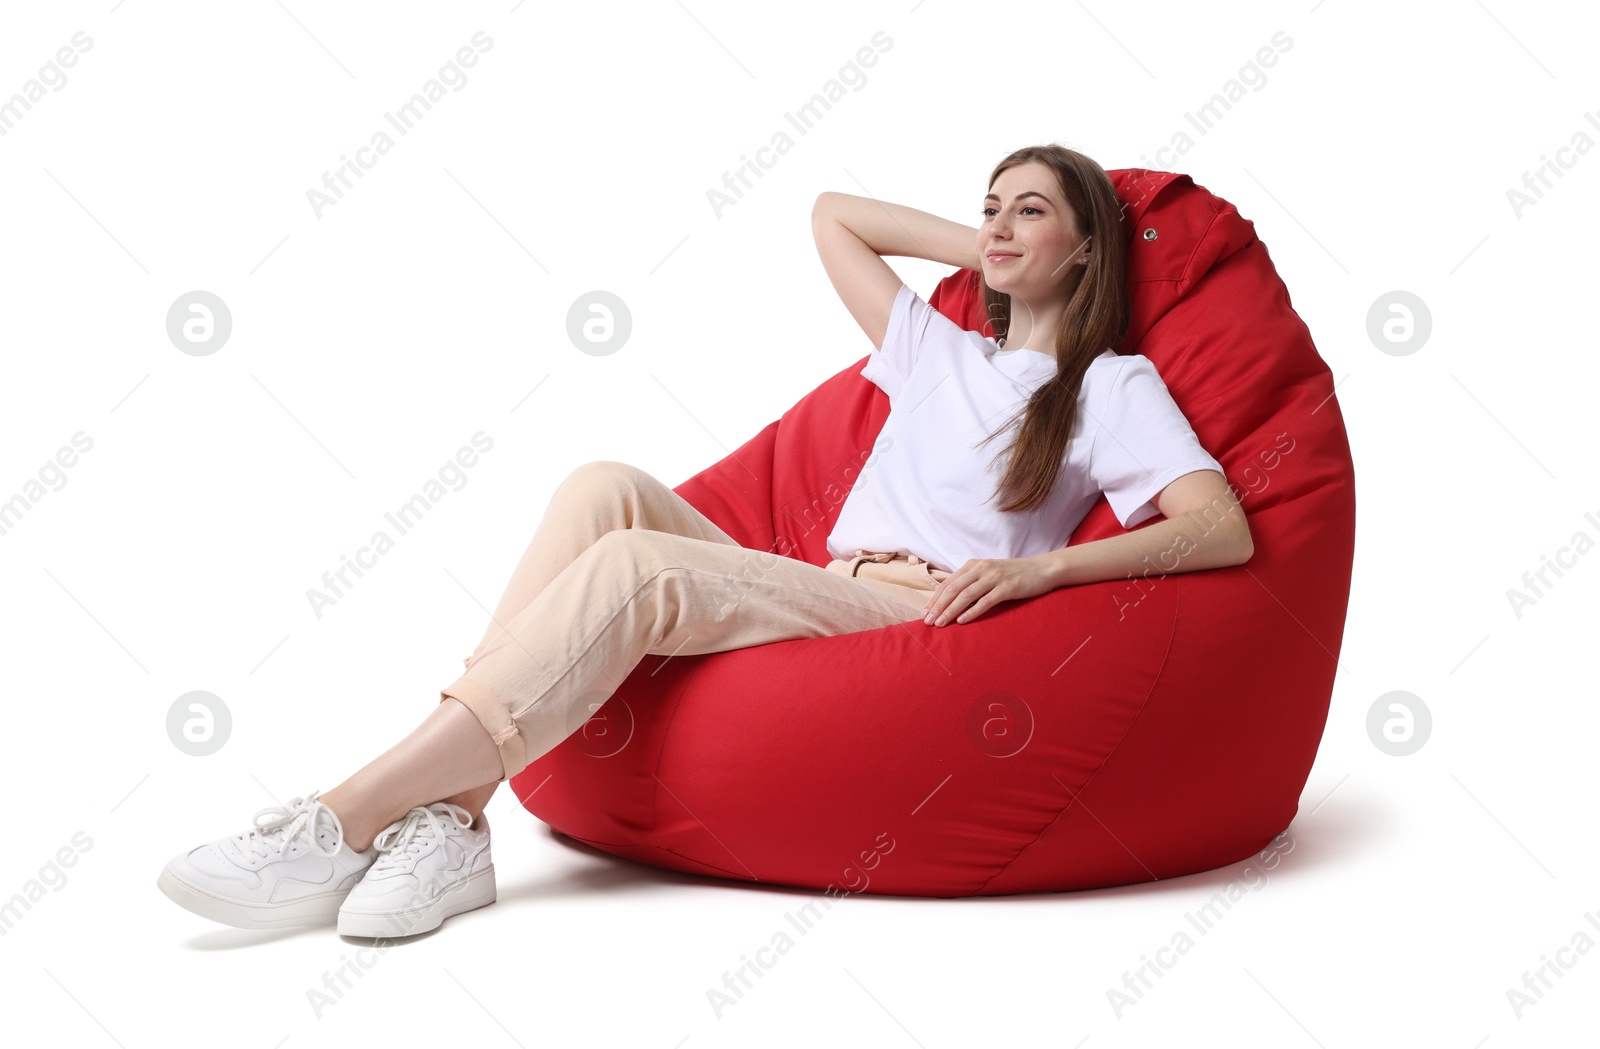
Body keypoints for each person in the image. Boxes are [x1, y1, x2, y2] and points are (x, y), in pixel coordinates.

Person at [157, 143, 1252, 938]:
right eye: (991, 208)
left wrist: (1043, 567)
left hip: (922, 612)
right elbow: (833, 213)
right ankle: (452, 820)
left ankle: (339, 817)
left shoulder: (1109, 385)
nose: (1001, 227)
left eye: (1031, 212)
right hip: (828, 582)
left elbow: (1218, 528)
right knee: (604, 488)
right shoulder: (937, 346)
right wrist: (983, 245)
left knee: (639, 568)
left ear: (1085, 248)